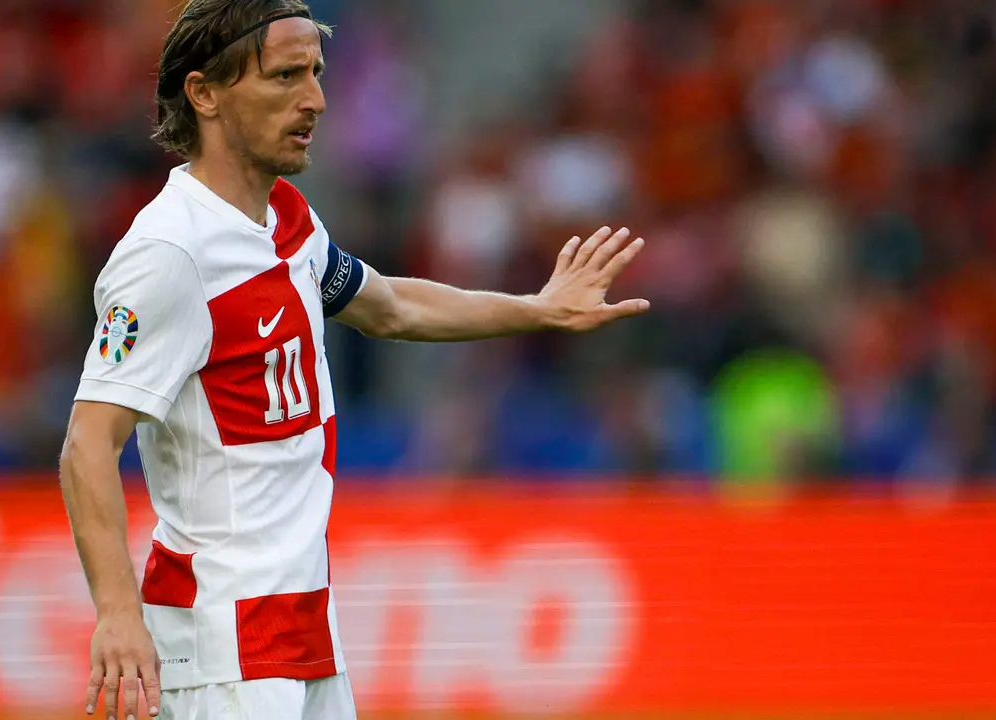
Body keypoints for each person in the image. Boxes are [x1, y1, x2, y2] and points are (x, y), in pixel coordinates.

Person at [57, 1, 649, 719]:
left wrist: (539, 307)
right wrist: (118, 614)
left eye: (315, 72)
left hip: (303, 633)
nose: (315, 99)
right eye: (284, 77)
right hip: (223, 643)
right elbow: (89, 442)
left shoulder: (288, 222)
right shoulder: (169, 255)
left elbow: (392, 306)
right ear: (204, 93)